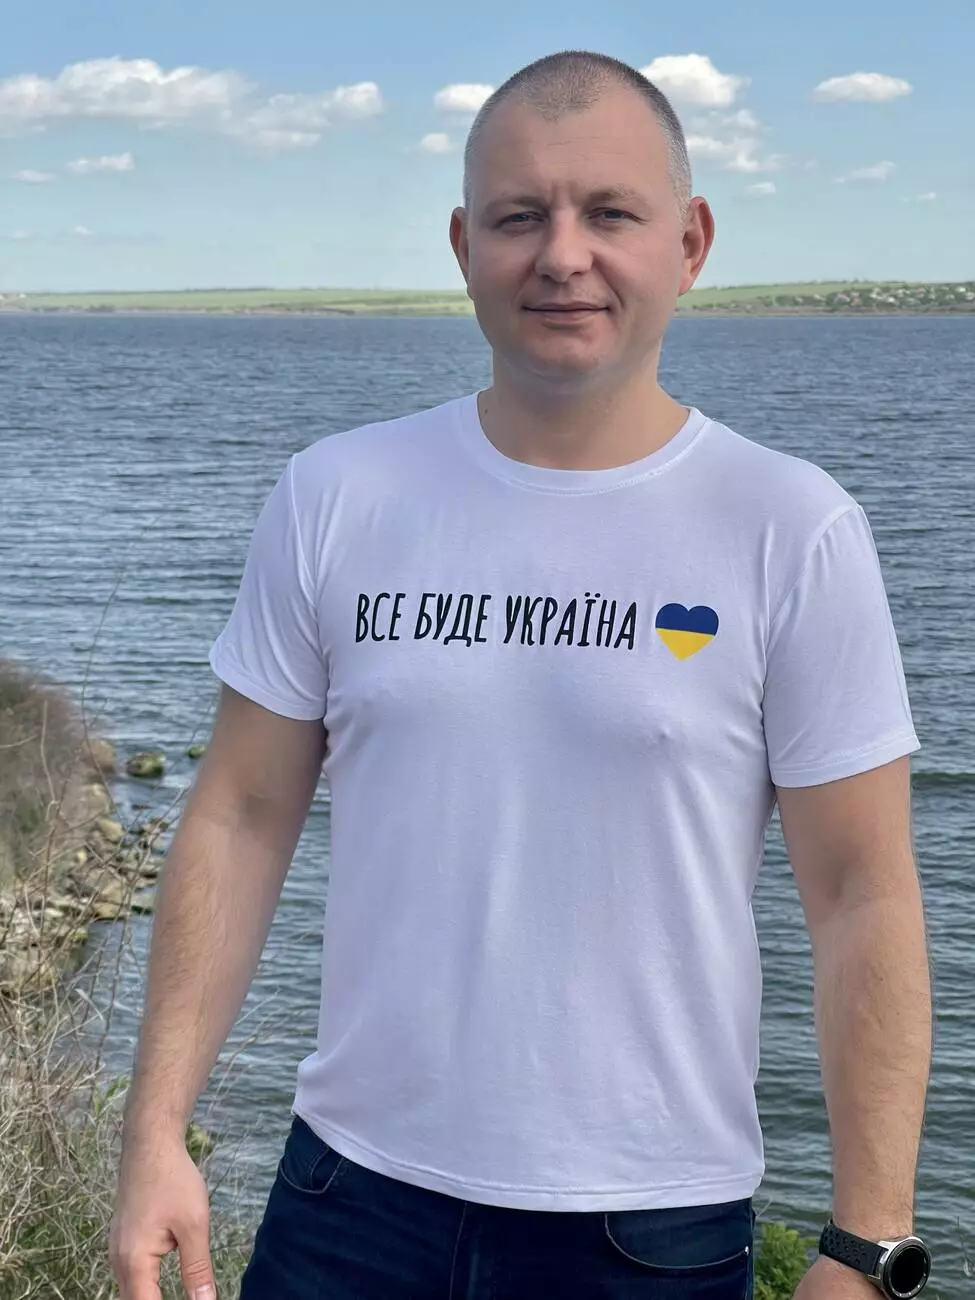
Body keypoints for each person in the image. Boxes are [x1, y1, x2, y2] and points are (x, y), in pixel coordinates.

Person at [109, 48, 933, 1300]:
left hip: (647, 1230)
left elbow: (861, 892)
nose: (562, 255)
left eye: (610, 212)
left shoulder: (789, 527)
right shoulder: (338, 494)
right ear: (463, 246)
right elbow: (240, 814)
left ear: (690, 242)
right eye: (518, 216)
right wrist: (155, 1129)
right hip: (346, 1198)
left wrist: (867, 1245)